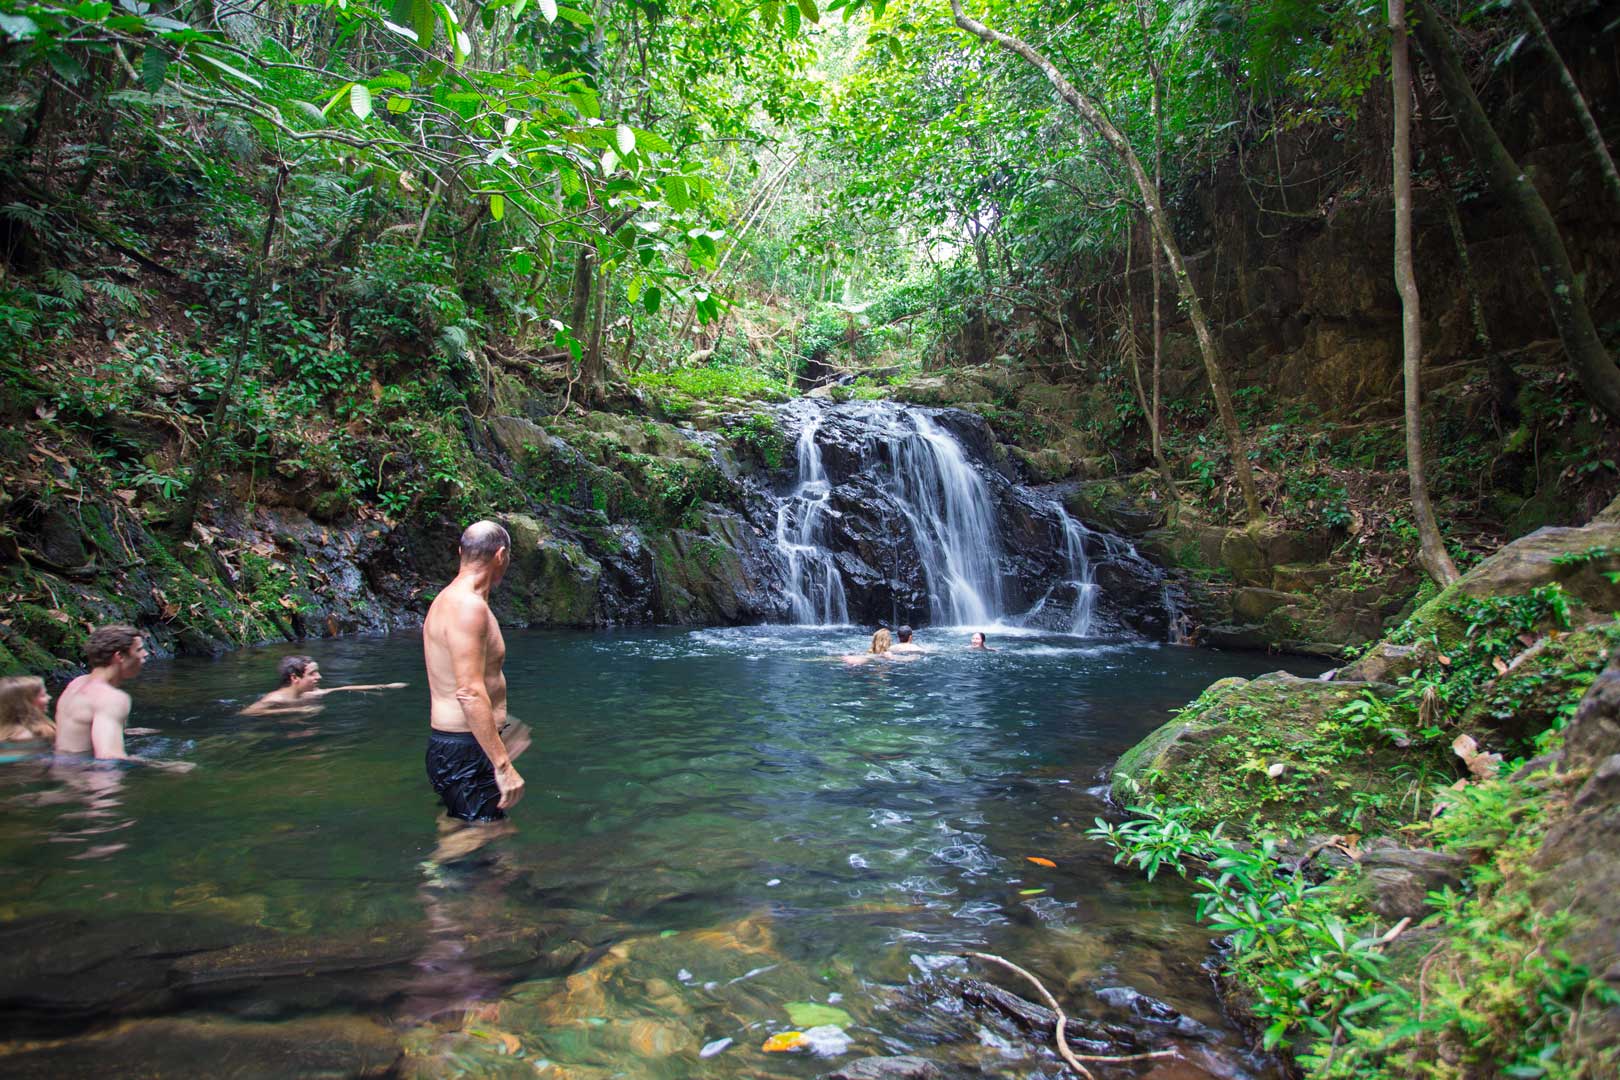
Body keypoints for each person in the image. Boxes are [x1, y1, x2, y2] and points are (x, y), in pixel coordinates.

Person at [422, 521, 526, 823]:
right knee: (482, 840)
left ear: (460, 552)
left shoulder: (450, 600)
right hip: (465, 750)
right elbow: (468, 691)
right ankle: (433, 870)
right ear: (501, 555)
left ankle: (439, 868)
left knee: (468, 832)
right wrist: (503, 765)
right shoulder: (468, 607)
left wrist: (503, 731)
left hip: (462, 746)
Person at [53, 625, 188, 769]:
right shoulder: (111, 698)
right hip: (82, 780)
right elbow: (109, 759)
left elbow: (79, 732)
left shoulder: (76, 684)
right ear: (120, 657)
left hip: (60, 768)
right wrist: (163, 765)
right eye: (139, 649)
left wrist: (126, 731)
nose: (145, 654)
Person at [241, 655, 406, 716]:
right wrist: (295, 710)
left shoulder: (309, 694)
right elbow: (247, 713)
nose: (318, 677)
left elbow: (340, 689)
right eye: (312, 673)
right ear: (294, 678)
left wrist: (385, 686)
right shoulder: (275, 698)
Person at [0, 675, 55, 743]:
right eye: (43, 695)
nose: (49, 697)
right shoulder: (26, 736)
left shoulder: (5, 733)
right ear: (24, 703)